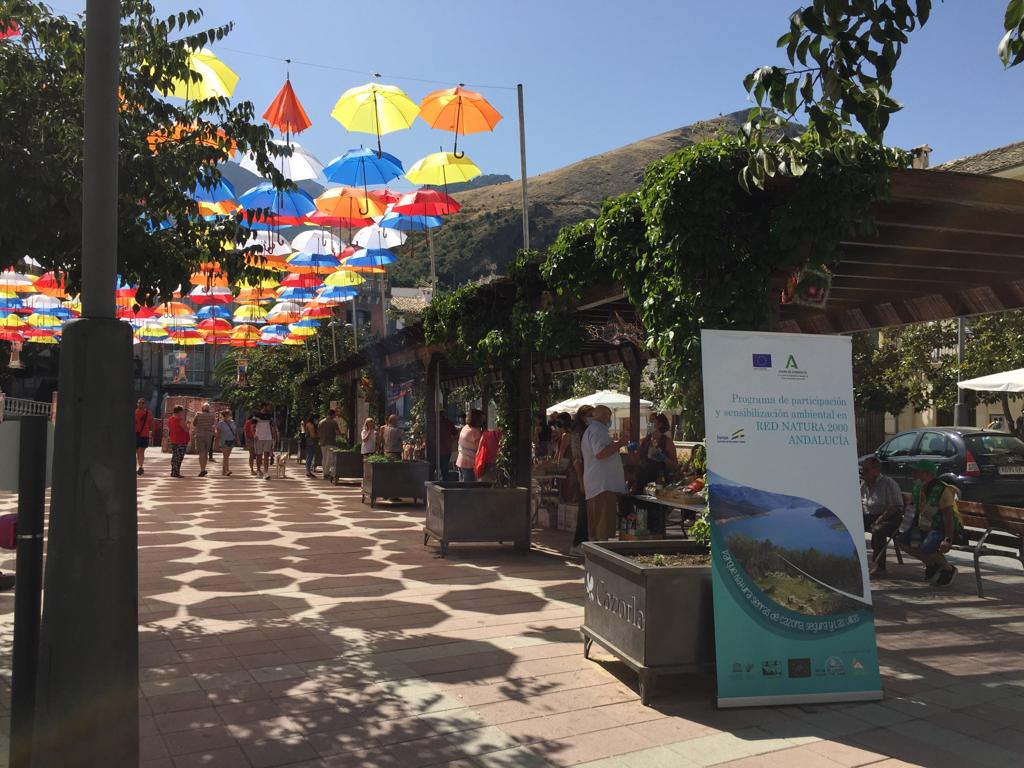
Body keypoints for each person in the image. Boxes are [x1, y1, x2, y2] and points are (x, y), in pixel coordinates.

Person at [898, 459, 964, 586]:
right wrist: (907, 526)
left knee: (927, 547)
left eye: (917, 472)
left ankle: (948, 569)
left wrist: (948, 539)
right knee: (904, 541)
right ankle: (931, 565)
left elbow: (948, 516)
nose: (913, 474)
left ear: (927, 473)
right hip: (924, 527)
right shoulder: (918, 487)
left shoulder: (942, 489)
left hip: (942, 529)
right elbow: (915, 508)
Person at [582, 405, 628, 541]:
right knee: (603, 526)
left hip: (600, 484)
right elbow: (601, 453)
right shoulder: (597, 430)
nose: (610, 419)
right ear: (604, 416)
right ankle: (601, 555)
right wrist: (619, 443)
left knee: (597, 525)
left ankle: (596, 554)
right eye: (609, 415)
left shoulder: (595, 430)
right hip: (602, 486)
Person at [860, 456, 904, 574]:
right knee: (850, 525)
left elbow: (895, 506)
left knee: (878, 530)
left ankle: (880, 566)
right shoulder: (864, 484)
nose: (862, 472)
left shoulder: (888, 483)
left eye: (865, 470)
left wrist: (880, 519)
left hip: (890, 518)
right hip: (870, 516)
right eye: (862, 469)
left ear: (876, 471)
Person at [567, 405, 594, 557]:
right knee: (584, 510)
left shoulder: (587, 431)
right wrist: (580, 478)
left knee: (587, 511)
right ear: (583, 416)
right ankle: (577, 543)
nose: (592, 417)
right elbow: (577, 457)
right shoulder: (578, 432)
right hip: (582, 474)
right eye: (590, 414)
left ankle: (583, 542)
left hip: (588, 474)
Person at [636, 413, 680, 490]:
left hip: (660, 483)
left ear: (660, 424)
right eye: (649, 421)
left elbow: (675, 467)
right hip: (643, 482)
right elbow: (636, 461)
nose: (649, 423)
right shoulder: (645, 440)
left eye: (652, 420)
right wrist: (631, 450)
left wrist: (664, 458)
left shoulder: (667, 442)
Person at [456, 409, 484, 482]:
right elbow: (480, 449)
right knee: (469, 489)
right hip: (469, 464)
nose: (483, 421)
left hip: (461, 461)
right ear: (478, 419)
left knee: (462, 488)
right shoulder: (475, 432)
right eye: (482, 418)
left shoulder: (465, 428)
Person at [190, 402, 216, 478]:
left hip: (200, 435)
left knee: (201, 452)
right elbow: (213, 424)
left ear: (202, 408)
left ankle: (202, 469)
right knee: (206, 452)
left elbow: (194, 424)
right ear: (208, 409)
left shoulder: (198, 414)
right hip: (208, 435)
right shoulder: (212, 416)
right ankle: (204, 468)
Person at [253, 403, 278, 480]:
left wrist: (274, 435)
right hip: (259, 437)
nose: (270, 408)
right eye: (269, 406)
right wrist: (254, 434)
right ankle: (258, 471)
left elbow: (272, 426)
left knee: (266, 455)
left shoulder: (270, 416)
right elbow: (252, 426)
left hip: (268, 437)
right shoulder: (256, 415)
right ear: (264, 406)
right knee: (259, 455)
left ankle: (266, 472)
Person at [167, 405, 190, 478]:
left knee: (174, 456)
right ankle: (176, 472)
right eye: (182, 411)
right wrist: (188, 424)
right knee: (179, 457)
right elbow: (186, 429)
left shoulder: (170, 419)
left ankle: (173, 471)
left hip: (173, 439)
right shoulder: (180, 419)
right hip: (181, 440)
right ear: (179, 411)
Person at [215, 410, 238, 477]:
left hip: (231, 440)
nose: (230, 416)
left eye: (230, 415)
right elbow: (218, 434)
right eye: (229, 415)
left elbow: (235, 431)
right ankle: (227, 470)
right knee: (225, 456)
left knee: (227, 456)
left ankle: (223, 471)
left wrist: (237, 439)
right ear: (225, 416)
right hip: (224, 441)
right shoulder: (220, 423)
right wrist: (216, 442)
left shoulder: (233, 422)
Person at [134, 398, 153, 476]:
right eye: (139, 403)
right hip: (135, 435)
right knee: (138, 452)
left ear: (145, 404)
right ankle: (139, 467)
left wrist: (152, 432)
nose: (140, 404)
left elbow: (151, 423)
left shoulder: (148, 413)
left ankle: (140, 466)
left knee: (140, 451)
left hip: (144, 435)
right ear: (137, 404)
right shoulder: (134, 412)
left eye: (142, 403)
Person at [303, 412, 319, 477]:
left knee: (309, 456)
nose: (317, 420)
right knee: (310, 456)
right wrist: (318, 435)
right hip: (311, 441)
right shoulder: (311, 425)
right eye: (317, 419)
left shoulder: (307, 424)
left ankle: (308, 470)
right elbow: (312, 435)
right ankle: (308, 471)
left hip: (308, 441)